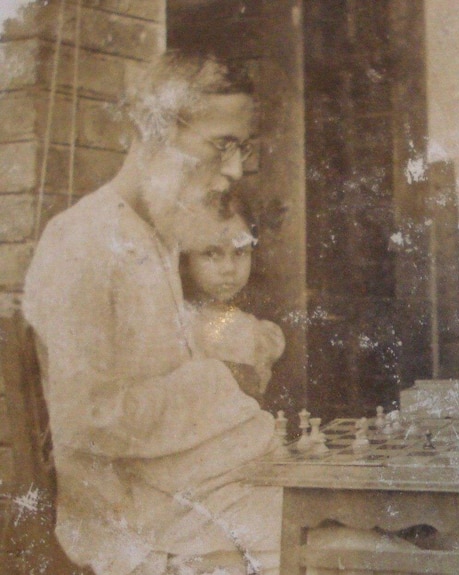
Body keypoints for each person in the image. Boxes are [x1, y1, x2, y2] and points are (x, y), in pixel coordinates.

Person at [23, 52, 282, 575]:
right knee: (325, 545)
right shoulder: (81, 242)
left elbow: (157, 355)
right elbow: (87, 420)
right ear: (158, 133)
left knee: (339, 520)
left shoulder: (159, 236)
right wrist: (215, 383)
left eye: (241, 147)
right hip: (131, 524)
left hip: (182, 492)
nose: (233, 169)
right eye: (221, 145)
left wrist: (232, 341)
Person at [181, 204, 285, 400]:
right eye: (211, 254)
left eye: (240, 253)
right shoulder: (177, 324)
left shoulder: (259, 333)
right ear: (186, 258)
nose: (228, 268)